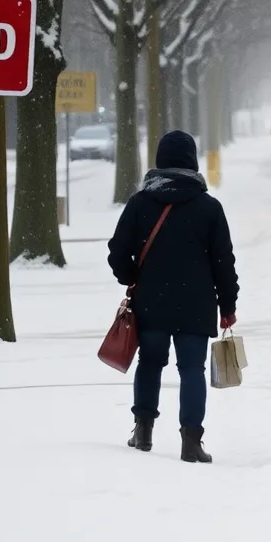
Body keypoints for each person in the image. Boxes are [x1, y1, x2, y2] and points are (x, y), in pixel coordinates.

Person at [107, 131, 239, 462]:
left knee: (150, 363)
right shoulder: (209, 207)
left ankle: (144, 431)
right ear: (192, 163)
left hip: (152, 301)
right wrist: (228, 305)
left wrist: (131, 276)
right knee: (192, 369)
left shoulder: (140, 204)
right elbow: (224, 261)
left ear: (160, 161)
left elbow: (117, 251)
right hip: (196, 304)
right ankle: (191, 442)